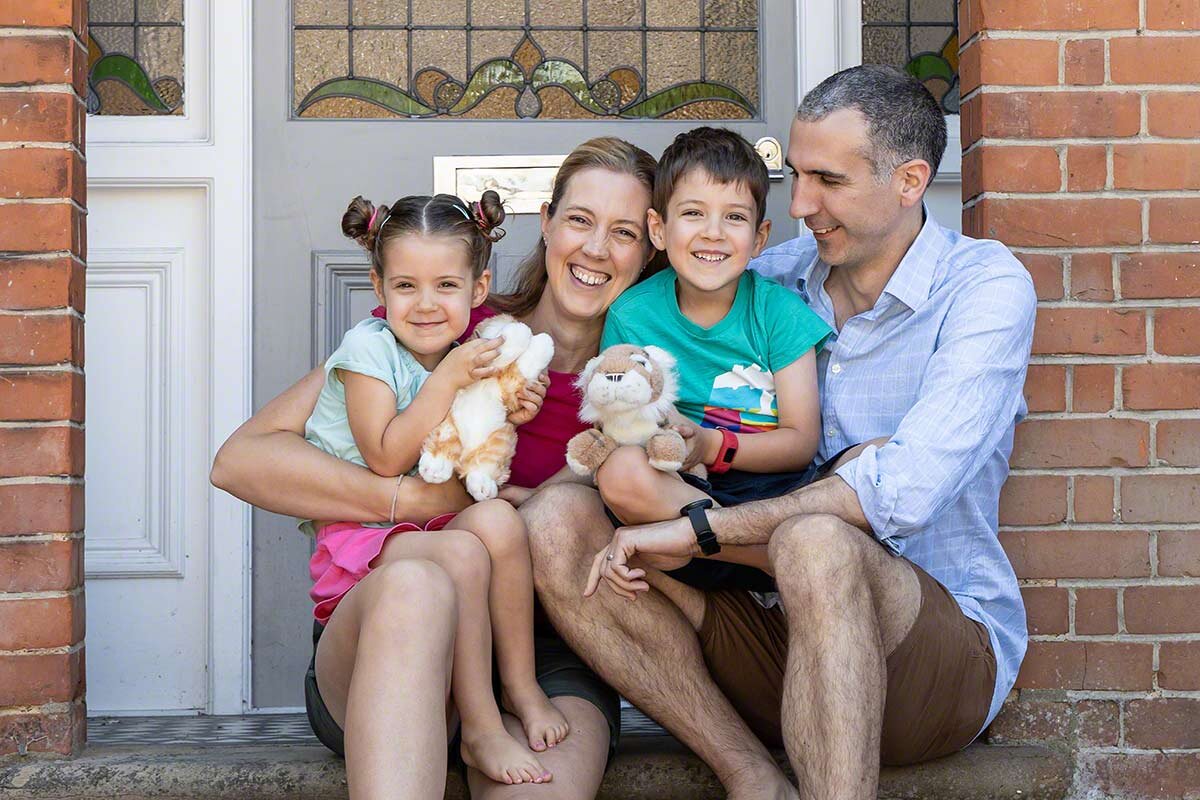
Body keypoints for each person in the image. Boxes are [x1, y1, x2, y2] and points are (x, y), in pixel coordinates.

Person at [526, 65, 1037, 800]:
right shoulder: (772, 274)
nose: (800, 205)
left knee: (819, 536)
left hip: (925, 655)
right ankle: (751, 775)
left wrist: (699, 529)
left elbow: (903, 492)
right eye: (795, 176)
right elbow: (659, 341)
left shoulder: (983, 289)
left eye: (827, 180)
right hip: (763, 633)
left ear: (911, 180)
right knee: (555, 519)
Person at [211, 137, 663, 800]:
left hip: (546, 658)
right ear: (546, 223)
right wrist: (411, 500)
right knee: (420, 583)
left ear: (650, 248)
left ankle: (500, 705)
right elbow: (241, 460)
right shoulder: (445, 323)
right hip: (401, 631)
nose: (596, 249)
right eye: (579, 220)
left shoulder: (642, 389)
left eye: (623, 232)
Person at [301, 189, 568, 788]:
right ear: (378, 287)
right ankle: (479, 725)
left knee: (499, 525)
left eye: (446, 286)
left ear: (478, 290)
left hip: (427, 528)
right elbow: (388, 453)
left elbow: (466, 441)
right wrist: (447, 381)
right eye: (405, 286)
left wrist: (508, 409)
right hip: (366, 544)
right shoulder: (367, 350)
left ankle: (521, 687)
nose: (425, 304)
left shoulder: (466, 353)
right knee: (465, 549)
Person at [593, 128, 831, 578]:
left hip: (770, 494)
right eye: (693, 213)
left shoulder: (779, 312)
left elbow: (800, 441)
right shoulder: (632, 316)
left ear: (760, 237)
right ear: (659, 229)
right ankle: (769, 562)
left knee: (862, 467)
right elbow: (619, 419)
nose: (714, 233)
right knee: (620, 470)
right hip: (676, 495)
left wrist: (712, 444)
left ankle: (728, 544)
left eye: (735, 218)